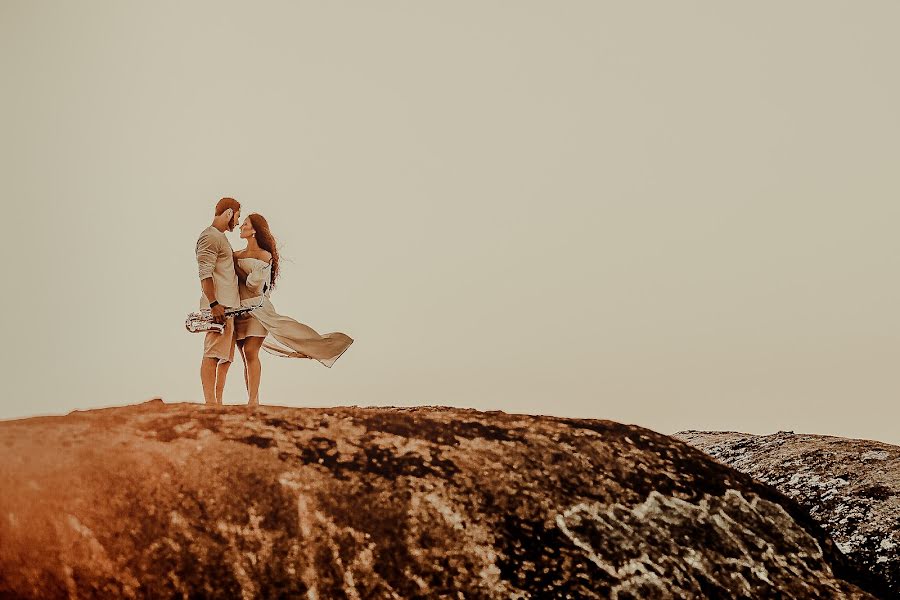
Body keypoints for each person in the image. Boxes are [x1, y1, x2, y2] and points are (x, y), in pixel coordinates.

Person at [232, 213, 354, 406]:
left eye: (245, 224)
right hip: (238, 311)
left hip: (258, 309)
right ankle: (252, 398)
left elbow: (254, 285)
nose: (241, 227)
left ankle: (253, 401)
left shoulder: (264, 255)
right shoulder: (236, 254)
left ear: (254, 230)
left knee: (251, 351)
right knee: (244, 355)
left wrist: (234, 264)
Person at [195, 197, 242, 405]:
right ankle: (210, 404)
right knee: (212, 354)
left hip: (228, 307)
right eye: (238, 217)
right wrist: (214, 304)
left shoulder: (220, 238)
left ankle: (218, 403)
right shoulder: (210, 237)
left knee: (225, 358)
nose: (238, 222)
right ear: (230, 213)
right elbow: (204, 273)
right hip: (218, 307)